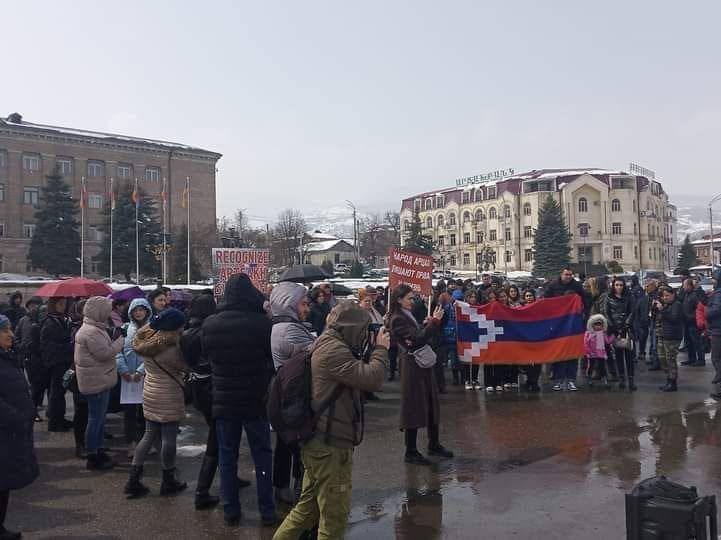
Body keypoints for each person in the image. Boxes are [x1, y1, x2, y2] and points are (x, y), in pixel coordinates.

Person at [273, 303, 390, 540]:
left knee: (308, 510)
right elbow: (372, 379)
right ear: (354, 328)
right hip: (329, 446)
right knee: (333, 519)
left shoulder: (329, 343)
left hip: (321, 443)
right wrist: (381, 349)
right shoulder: (333, 351)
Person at [201, 274, 278, 527]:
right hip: (256, 398)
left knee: (227, 455)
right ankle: (267, 509)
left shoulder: (210, 324)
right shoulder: (261, 324)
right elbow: (270, 356)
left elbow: (206, 354)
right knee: (262, 454)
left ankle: (230, 508)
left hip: (223, 398)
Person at [124, 308, 189, 498]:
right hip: (168, 393)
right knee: (169, 438)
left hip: (150, 390)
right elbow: (185, 367)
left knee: (149, 434)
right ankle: (168, 479)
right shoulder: (171, 347)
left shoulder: (146, 341)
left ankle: (133, 479)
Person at [388, 284, 453, 466]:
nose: (413, 301)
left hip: (422, 364)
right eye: (409, 298)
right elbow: (416, 339)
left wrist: (427, 323)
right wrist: (433, 323)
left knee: (432, 401)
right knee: (414, 406)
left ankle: (434, 443)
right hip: (412, 365)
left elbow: (417, 334)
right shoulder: (397, 318)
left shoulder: (406, 315)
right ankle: (411, 451)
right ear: (399, 299)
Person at [270, 282, 315, 505]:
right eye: (304, 303)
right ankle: (297, 489)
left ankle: (283, 485)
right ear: (289, 304)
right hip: (293, 394)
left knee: (286, 443)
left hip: (287, 393)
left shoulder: (286, 325)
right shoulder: (289, 330)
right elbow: (317, 354)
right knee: (296, 443)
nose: (307, 308)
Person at [74, 297, 125, 470]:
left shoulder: (94, 328)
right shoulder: (91, 331)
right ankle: (93, 455)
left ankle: (98, 449)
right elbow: (105, 353)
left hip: (98, 378)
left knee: (99, 419)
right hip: (96, 381)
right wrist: (120, 341)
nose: (109, 312)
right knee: (95, 419)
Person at [0, 314, 39, 540]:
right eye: (5, 331)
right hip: (6, 429)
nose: (11, 334)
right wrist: (16, 417)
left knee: (4, 483)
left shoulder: (7, 356)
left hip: (11, 432)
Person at [116, 298, 152, 458]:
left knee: (145, 412)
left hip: (145, 376)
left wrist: (140, 371)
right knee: (129, 413)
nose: (139, 313)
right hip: (127, 377)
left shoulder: (152, 329)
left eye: (142, 309)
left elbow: (152, 353)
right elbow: (117, 351)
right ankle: (131, 442)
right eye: (136, 310)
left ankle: (145, 443)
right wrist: (123, 370)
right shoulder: (124, 328)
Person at [545, 268, 589, 391]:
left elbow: (585, 301)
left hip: (573, 324)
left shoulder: (577, 285)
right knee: (559, 352)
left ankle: (571, 380)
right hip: (558, 324)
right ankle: (558, 380)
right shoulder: (553, 285)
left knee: (573, 352)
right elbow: (545, 301)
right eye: (566, 274)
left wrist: (584, 314)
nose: (568, 276)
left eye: (570, 274)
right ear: (561, 274)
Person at [40, 297, 74, 432]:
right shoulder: (49, 322)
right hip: (56, 362)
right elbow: (48, 345)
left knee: (60, 391)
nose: (63, 307)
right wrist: (67, 345)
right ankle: (55, 421)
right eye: (60, 304)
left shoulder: (60, 320)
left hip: (61, 360)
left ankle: (60, 418)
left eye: (64, 304)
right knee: (56, 392)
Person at [604, 277, 636, 391]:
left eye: (621, 285)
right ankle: (622, 378)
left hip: (627, 329)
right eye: (617, 285)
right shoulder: (609, 297)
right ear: (613, 286)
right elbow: (606, 312)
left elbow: (632, 311)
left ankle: (631, 380)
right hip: (614, 329)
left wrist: (626, 324)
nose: (619, 287)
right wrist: (613, 326)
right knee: (618, 355)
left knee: (629, 356)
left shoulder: (629, 296)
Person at [15, 297, 44, 421]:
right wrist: (20, 347)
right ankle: (33, 410)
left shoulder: (42, 320)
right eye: (32, 305)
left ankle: (38, 406)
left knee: (39, 385)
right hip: (27, 356)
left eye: (36, 305)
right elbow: (16, 336)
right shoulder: (23, 320)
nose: (34, 308)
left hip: (40, 357)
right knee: (34, 385)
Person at [656, 286, 684, 392]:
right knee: (663, 359)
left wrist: (662, 310)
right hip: (664, 335)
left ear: (673, 295)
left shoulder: (677, 305)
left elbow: (674, 318)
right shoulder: (666, 305)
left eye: (667, 295)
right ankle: (668, 380)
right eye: (664, 296)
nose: (665, 298)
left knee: (670, 359)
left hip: (673, 336)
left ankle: (672, 382)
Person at [680, 279, 706, 367]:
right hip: (686, 323)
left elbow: (699, 309)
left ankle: (701, 360)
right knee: (688, 342)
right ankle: (691, 359)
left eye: (685, 285)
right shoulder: (686, 295)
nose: (683, 287)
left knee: (696, 342)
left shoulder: (694, 296)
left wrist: (692, 317)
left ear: (690, 286)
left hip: (693, 323)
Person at [584, 314, 614, 388]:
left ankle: (605, 380)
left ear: (602, 325)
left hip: (601, 353)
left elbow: (607, 341)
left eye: (600, 325)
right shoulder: (588, 334)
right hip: (591, 354)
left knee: (602, 367)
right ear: (592, 325)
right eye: (596, 325)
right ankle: (589, 378)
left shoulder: (603, 334)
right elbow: (586, 343)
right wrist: (588, 351)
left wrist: (613, 336)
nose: (598, 326)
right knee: (591, 366)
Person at [522, 290, 542, 392]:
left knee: (538, 361)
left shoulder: (539, 308)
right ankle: (530, 380)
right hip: (525, 338)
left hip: (537, 337)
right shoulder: (520, 309)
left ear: (534, 297)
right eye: (527, 296)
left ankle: (534, 382)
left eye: (530, 296)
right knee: (527, 361)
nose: (529, 297)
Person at [706, 270, 721, 399]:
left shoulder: (719, 294)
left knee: (716, 358)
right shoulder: (716, 293)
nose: (712, 281)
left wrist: (706, 312)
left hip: (718, 330)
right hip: (717, 329)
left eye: (714, 279)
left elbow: (715, 310)